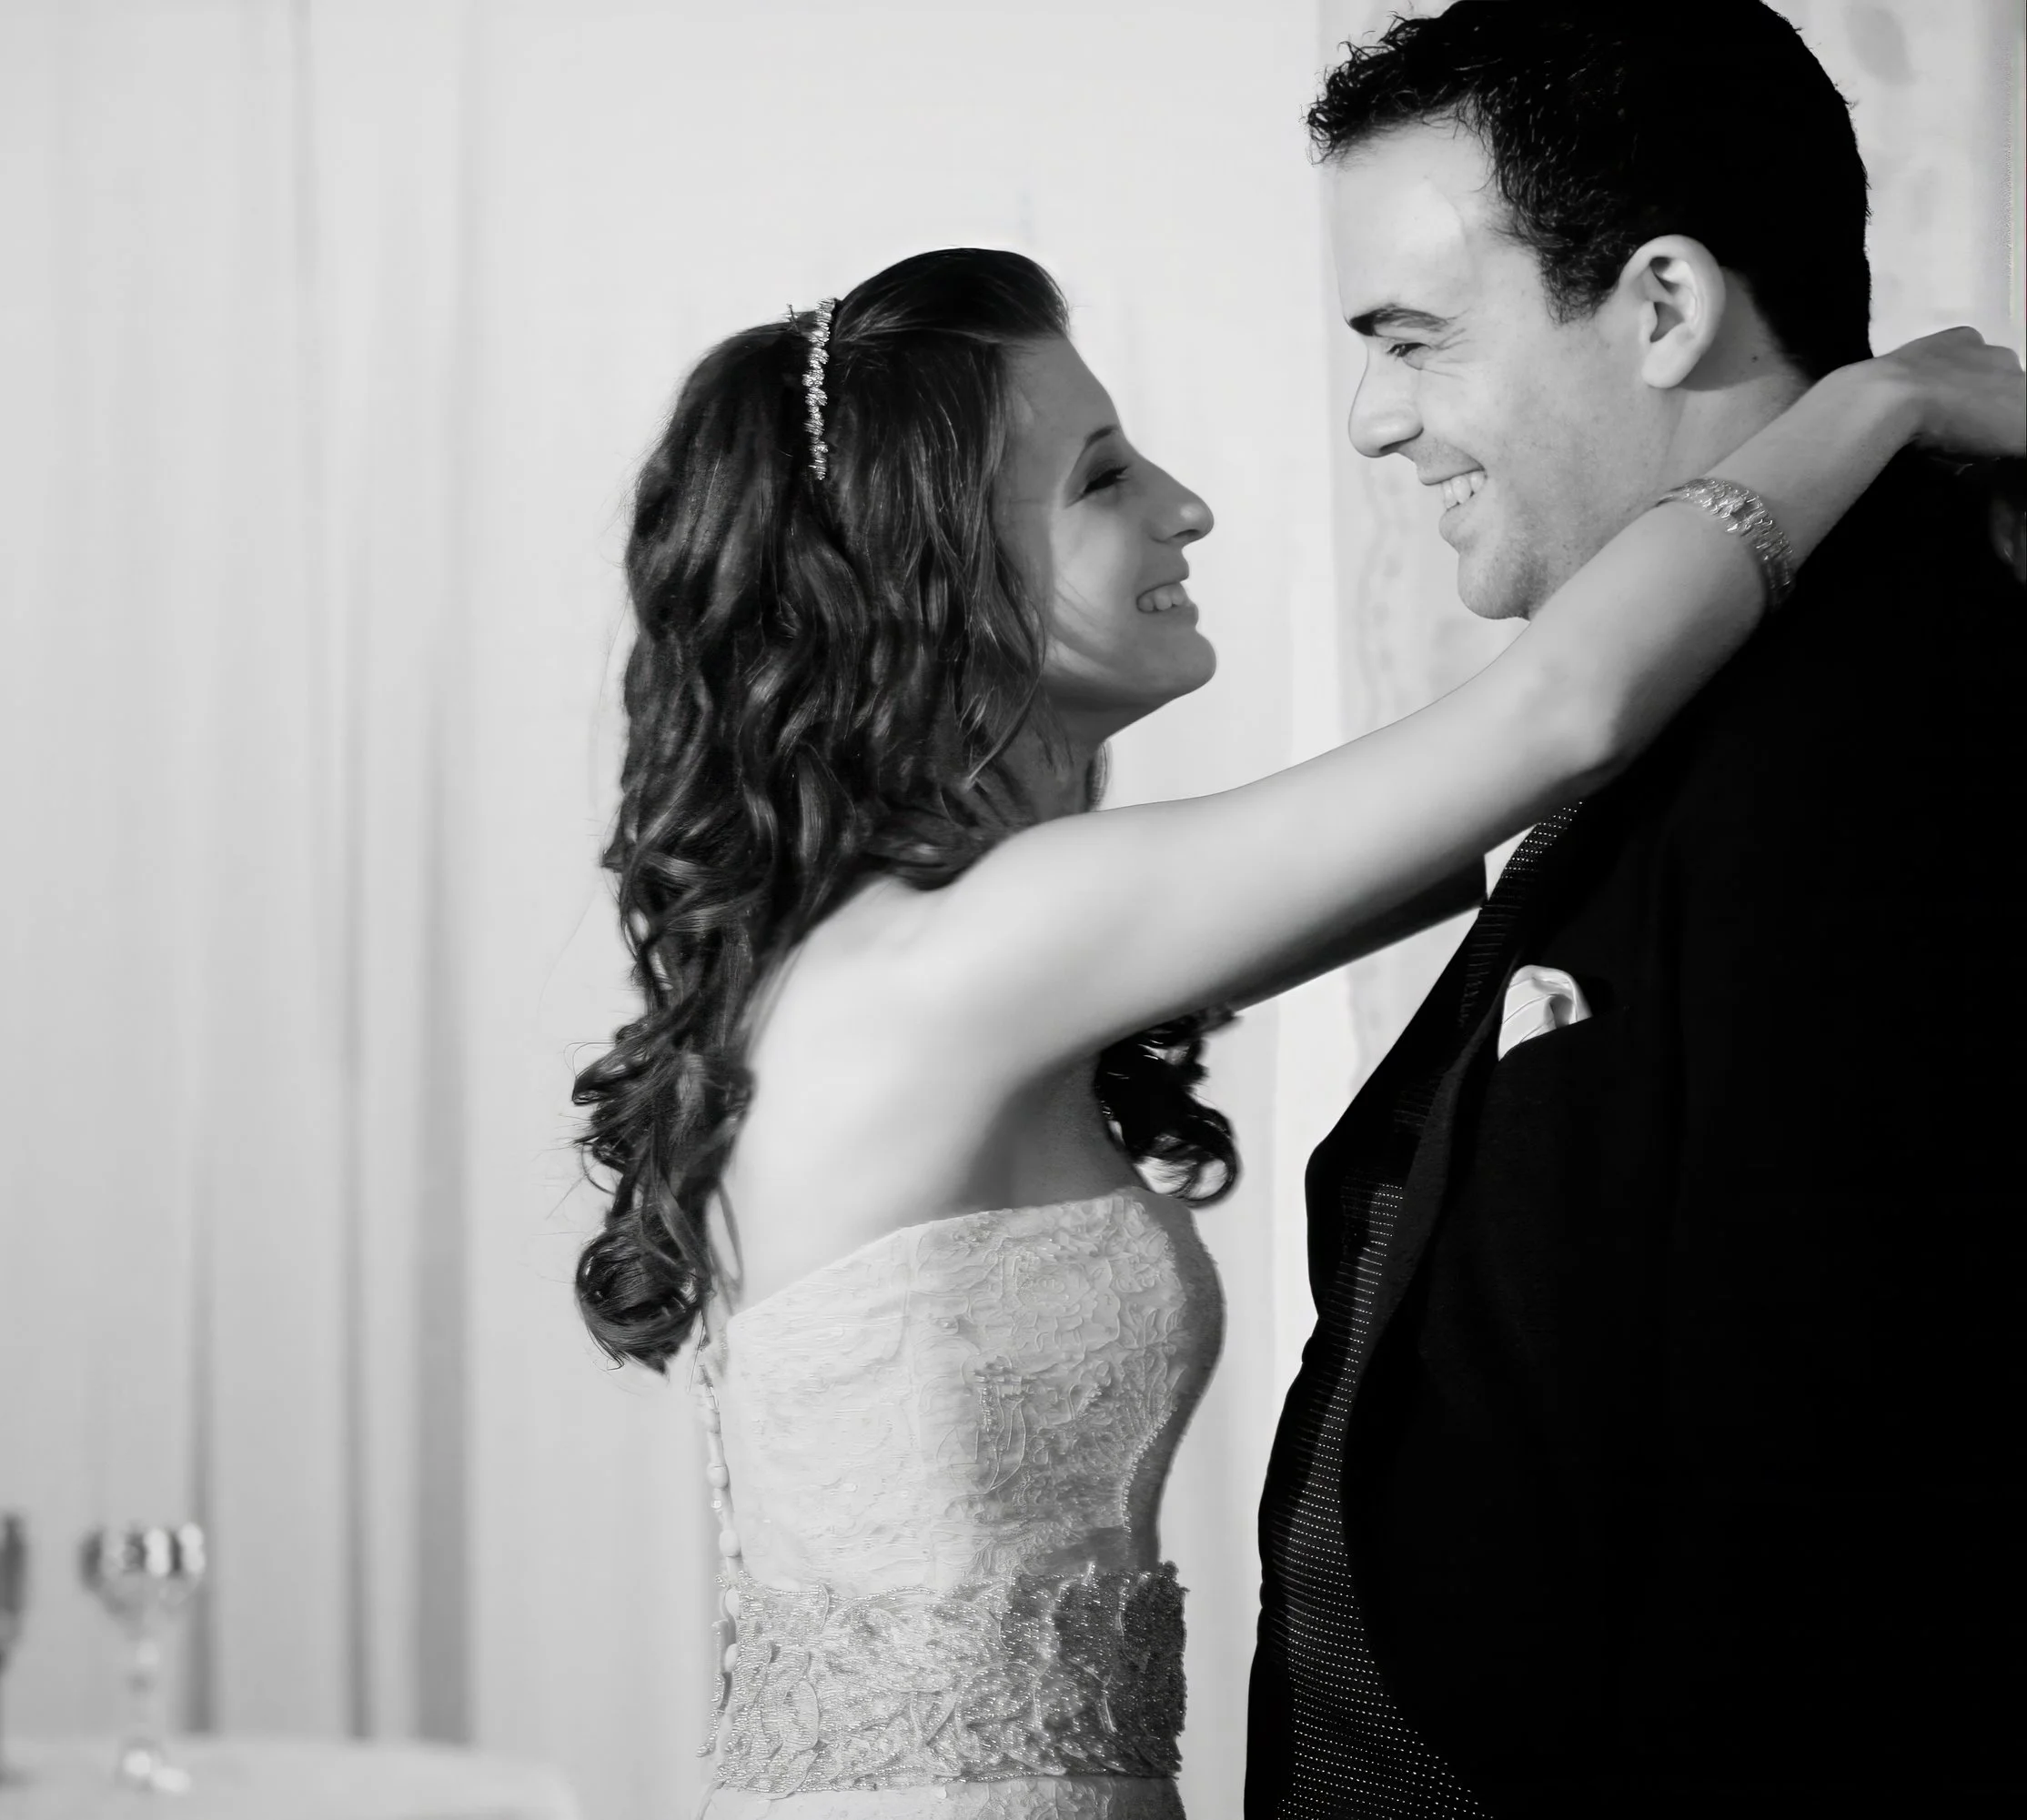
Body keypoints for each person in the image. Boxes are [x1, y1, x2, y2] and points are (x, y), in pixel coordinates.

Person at [570, 246, 2019, 1816]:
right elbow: (1558, 719)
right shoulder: (971, 949)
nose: (1184, 509)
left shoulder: (913, 945)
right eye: (1103, 478)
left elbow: (1462, 837)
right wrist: (1880, 403)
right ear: (925, 570)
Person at [1249, 5, 2027, 1814]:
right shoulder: (1703, 707)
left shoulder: (1892, 730)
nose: (1372, 422)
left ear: (1662, 305)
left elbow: (1846, 1514)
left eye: (1410, 340)